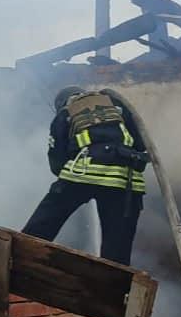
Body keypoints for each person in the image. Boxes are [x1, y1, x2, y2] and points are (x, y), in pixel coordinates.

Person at [22, 86, 147, 265]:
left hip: (81, 174)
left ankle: (21, 260)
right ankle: (111, 288)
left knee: (40, 228)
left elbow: (57, 160)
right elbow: (141, 144)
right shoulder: (117, 106)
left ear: (62, 103)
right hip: (126, 182)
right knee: (116, 254)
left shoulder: (66, 112)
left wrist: (64, 179)